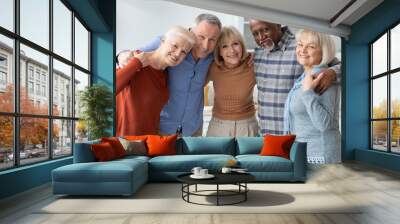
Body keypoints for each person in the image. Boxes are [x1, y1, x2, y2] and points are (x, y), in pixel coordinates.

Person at [118, 14, 221, 136]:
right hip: (163, 128)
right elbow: (133, 56)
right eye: (201, 37)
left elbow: (234, 55)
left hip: (193, 128)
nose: (205, 46)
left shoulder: (213, 56)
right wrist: (121, 55)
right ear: (191, 31)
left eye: (212, 40)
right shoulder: (170, 41)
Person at [249, 20, 341, 135]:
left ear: (278, 24)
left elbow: (343, 65)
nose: (261, 37)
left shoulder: (300, 45)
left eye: (265, 30)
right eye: (255, 34)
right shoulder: (257, 54)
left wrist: (333, 72)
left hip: (296, 136)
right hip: (266, 136)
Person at [116, 26, 195, 136]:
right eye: (175, 46)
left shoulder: (165, 74)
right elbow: (109, 88)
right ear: (162, 42)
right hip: (124, 142)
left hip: (149, 144)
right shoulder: (135, 59)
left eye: (183, 52)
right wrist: (135, 63)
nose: (177, 54)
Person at [284, 29, 341, 164]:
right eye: (300, 44)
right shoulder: (304, 78)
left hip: (320, 157)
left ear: (324, 51)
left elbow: (325, 124)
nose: (302, 50)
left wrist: (307, 93)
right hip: (304, 154)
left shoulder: (323, 77)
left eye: (311, 46)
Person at [206, 26, 259, 137]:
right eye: (224, 46)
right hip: (218, 127)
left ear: (242, 45)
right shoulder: (212, 67)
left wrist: (257, 54)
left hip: (247, 126)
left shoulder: (253, 65)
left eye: (235, 44)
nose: (232, 51)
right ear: (219, 51)